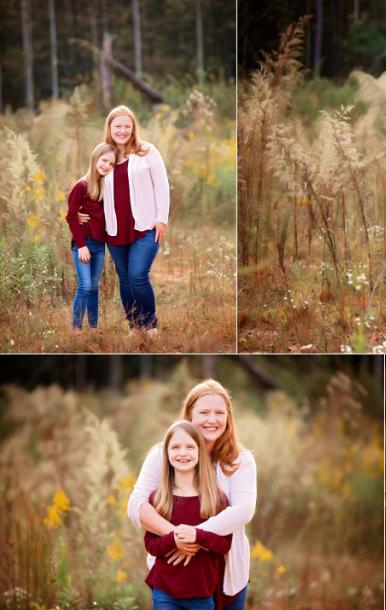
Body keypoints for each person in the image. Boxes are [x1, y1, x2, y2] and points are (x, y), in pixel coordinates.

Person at [128, 380, 257, 610]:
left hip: (229, 574)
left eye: (219, 412)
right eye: (204, 412)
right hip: (175, 577)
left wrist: (196, 535)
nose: (212, 419)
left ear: (228, 417)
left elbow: (243, 510)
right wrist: (177, 537)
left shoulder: (240, 460)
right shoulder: (163, 455)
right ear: (189, 415)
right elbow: (136, 505)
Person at [144, 420, 232, 610]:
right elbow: (150, 545)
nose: (182, 453)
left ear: (200, 452)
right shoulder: (159, 498)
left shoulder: (216, 498)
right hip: (164, 591)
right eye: (175, 447)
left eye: (190, 447)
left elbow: (224, 545)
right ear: (166, 454)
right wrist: (174, 540)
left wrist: (197, 537)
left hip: (202, 593)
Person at [101, 105, 169, 336]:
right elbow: (90, 185)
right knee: (125, 279)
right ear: (110, 127)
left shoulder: (147, 151)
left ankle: (150, 326)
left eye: (126, 126)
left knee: (138, 275)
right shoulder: (104, 156)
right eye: (117, 126)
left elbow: (162, 185)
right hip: (115, 229)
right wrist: (80, 209)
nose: (122, 130)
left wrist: (162, 219)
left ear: (133, 128)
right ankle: (134, 326)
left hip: (146, 226)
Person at [65, 143, 115, 332]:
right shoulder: (81, 186)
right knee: (85, 286)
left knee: (94, 287)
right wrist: (82, 245)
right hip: (83, 245)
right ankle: (76, 328)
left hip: (99, 246)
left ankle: (93, 328)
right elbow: (70, 217)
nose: (106, 166)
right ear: (95, 159)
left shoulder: (106, 187)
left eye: (111, 164)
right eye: (103, 161)